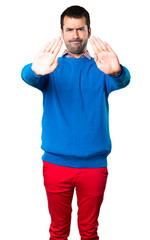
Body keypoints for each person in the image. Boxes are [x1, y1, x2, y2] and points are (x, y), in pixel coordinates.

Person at [21, 5, 131, 240]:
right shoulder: (51, 68)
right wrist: (34, 71)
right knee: (58, 232)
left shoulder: (101, 67)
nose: (75, 35)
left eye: (80, 29)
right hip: (56, 164)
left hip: (94, 166)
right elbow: (28, 76)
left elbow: (122, 80)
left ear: (89, 31)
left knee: (89, 232)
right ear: (61, 32)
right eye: (69, 29)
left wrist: (117, 71)